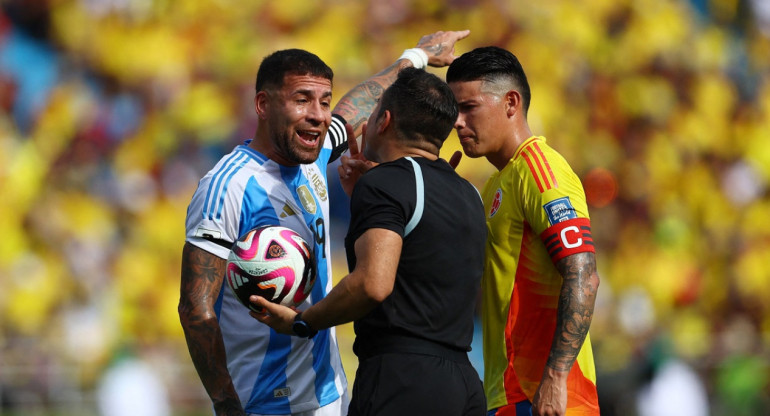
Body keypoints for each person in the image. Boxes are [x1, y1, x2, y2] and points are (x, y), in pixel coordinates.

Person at [178, 30, 470, 416]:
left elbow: (361, 102)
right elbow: (196, 309)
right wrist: (226, 404)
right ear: (263, 105)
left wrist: (416, 56)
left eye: (324, 101)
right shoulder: (228, 185)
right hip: (263, 403)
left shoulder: (312, 157)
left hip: (328, 394)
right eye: (302, 100)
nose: (317, 114)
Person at [250, 67, 487, 416]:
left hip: (403, 380)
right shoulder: (468, 191)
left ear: (384, 120)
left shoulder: (387, 183)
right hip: (464, 380)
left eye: (373, 113)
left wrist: (304, 321)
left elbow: (374, 284)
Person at [445, 46, 601, 416]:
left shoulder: (541, 172)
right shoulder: (497, 183)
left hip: (548, 398)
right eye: (455, 110)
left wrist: (556, 377)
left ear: (511, 102)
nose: (457, 122)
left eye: (469, 108)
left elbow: (583, 275)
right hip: (510, 394)